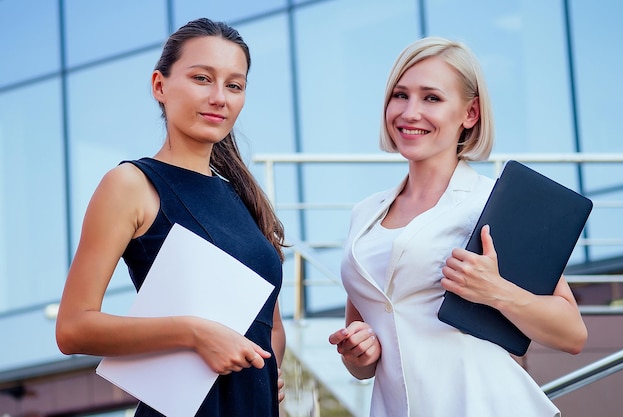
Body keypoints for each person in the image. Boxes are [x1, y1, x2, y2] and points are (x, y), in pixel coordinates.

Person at [328, 36, 588, 417]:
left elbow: (572, 334)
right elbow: (364, 364)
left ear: (470, 114)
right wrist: (359, 353)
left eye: (431, 98)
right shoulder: (364, 215)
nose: (410, 112)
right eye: (400, 95)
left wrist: (496, 291)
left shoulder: (493, 204)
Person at [56, 18, 286, 417]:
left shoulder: (245, 197)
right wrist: (195, 333)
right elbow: (73, 328)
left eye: (234, 85)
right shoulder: (131, 185)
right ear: (160, 86)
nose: (219, 97)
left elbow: (272, 325)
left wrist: (260, 370)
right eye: (202, 78)